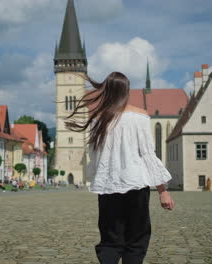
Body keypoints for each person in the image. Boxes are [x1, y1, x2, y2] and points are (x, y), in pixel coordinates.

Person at [65, 72, 175, 264]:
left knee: (110, 239)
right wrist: (162, 191)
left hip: (108, 188)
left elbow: (94, 155)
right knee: (137, 238)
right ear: (126, 91)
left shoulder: (99, 118)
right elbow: (148, 154)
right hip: (136, 186)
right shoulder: (140, 116)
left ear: (106, 91)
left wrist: (97, 178)